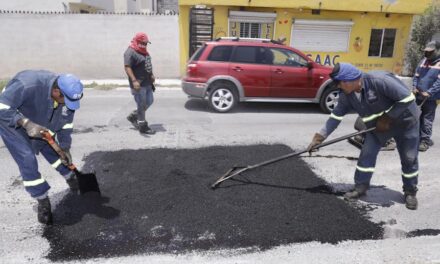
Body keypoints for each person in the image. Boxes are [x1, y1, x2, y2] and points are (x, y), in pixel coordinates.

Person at [307, 63, 420, 210]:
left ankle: (410, 192)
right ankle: (360, 187)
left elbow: (407, 98)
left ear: (350, 80)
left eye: (340, 83)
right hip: (378, 128)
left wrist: (388, 117)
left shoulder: (379, 80)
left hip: (406, 123)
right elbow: (335, 117)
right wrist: (319, 138)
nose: (339, 87)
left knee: (409, 158)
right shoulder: (346, 96)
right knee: (366, 154)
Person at [0, 70, 84, 224]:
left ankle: (71, 177)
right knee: (27, 158)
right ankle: (42, 200)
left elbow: (66, 124)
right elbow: (2, 107)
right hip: (12, 122)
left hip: (38, 116)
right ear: (56, 90)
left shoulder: (66, 98)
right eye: (64, 100)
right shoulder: (27, 84)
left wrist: (65, 147)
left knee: (51, 146)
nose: (67, 104)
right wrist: (26, 123)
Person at [124, 32, 156, 135]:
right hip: (138, 84)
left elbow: (147, 64)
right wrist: (134, 81)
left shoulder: (144, 51)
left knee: (150, 101)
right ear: (137, 41)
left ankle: (134, 115)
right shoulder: (130, 52)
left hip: (147, 83)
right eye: (143, 43)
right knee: (141, 105)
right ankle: (143, 126)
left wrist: (151, 75)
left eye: (146, 43)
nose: (145, 45)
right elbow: (127, 67)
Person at [412, 40, 440, 152]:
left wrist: (429, 92)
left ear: (438, 51)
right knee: (415, 117)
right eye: (426, 52)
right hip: (418, 95)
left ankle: (424, 141)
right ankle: (415, 137)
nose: (427, 54)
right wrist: (414, 86)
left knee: (427, 119)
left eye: (430, 52)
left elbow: (439, 82)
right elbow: (416, 75)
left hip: (430, 98)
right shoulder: (423, 61)